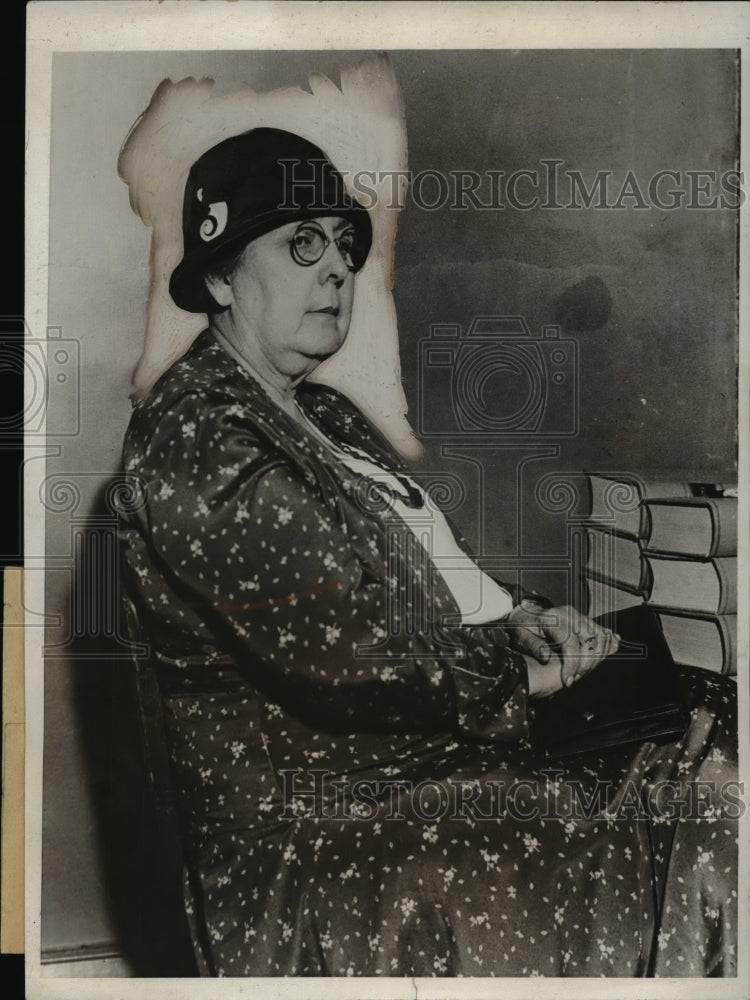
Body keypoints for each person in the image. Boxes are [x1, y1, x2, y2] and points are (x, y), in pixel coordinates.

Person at [118, 127, 738, 977]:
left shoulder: (320, 415)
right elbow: (353, 656)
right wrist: (521, 674)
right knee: (707, 803)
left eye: (344, 244)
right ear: (222, 274)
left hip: (436, 740)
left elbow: (442, 585)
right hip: (333, 815)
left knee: (716, 721)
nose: (338, 267)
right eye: (303, 243)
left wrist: (525, 617)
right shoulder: (199, 436)